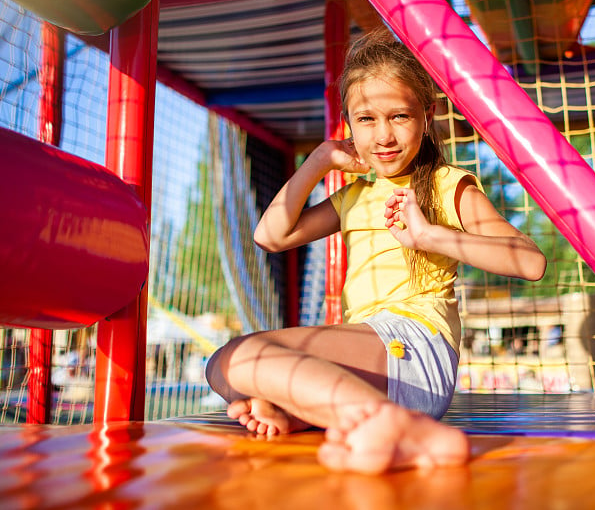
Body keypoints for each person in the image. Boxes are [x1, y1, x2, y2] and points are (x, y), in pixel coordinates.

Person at [205, 29, 546, 474]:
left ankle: (402, 429)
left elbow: (530, 261)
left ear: (428, 114)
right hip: (376, 354)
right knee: (221, 367)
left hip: (415, 348)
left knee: (243, 357)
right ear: (348, 122)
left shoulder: (446, 186)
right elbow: (270, 236)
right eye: (366, 119)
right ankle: (307, 414)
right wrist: (321, 159)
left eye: (399, 116)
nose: (383, 135)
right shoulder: (354, 196)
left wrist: (429, 236)